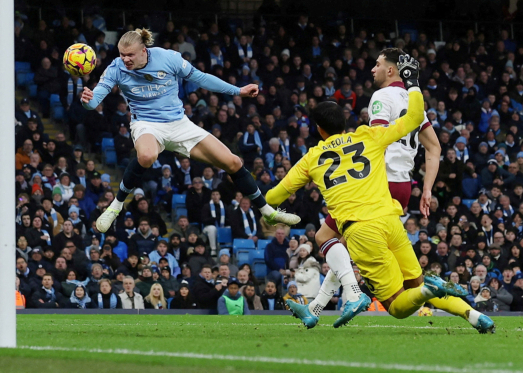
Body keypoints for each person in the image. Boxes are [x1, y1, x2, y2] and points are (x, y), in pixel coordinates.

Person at [267, 55, 484, 330]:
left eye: (378, 64)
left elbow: (273, 197)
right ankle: (474, 315)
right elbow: (432, 144)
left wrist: (270, 213)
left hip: (378, 184)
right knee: (377, 262)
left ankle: (353, 294)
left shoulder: (378, 99)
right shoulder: (380, 122)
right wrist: (426, 186)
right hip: (400, 189)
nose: (373, 68)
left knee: (329, 238)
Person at [81, 28, 300, 233]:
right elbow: (95, 100)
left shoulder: (169, 58)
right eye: (121, 54)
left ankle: (267, 212)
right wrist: (88, 101)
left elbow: (201, 78)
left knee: (234, 162)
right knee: (147, 156)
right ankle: (115, 207)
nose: (125, 59)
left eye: (130, 55)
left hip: (179, 124)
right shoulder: (115, 68)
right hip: (147, 124)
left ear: (143, 51)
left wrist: (237, 91)